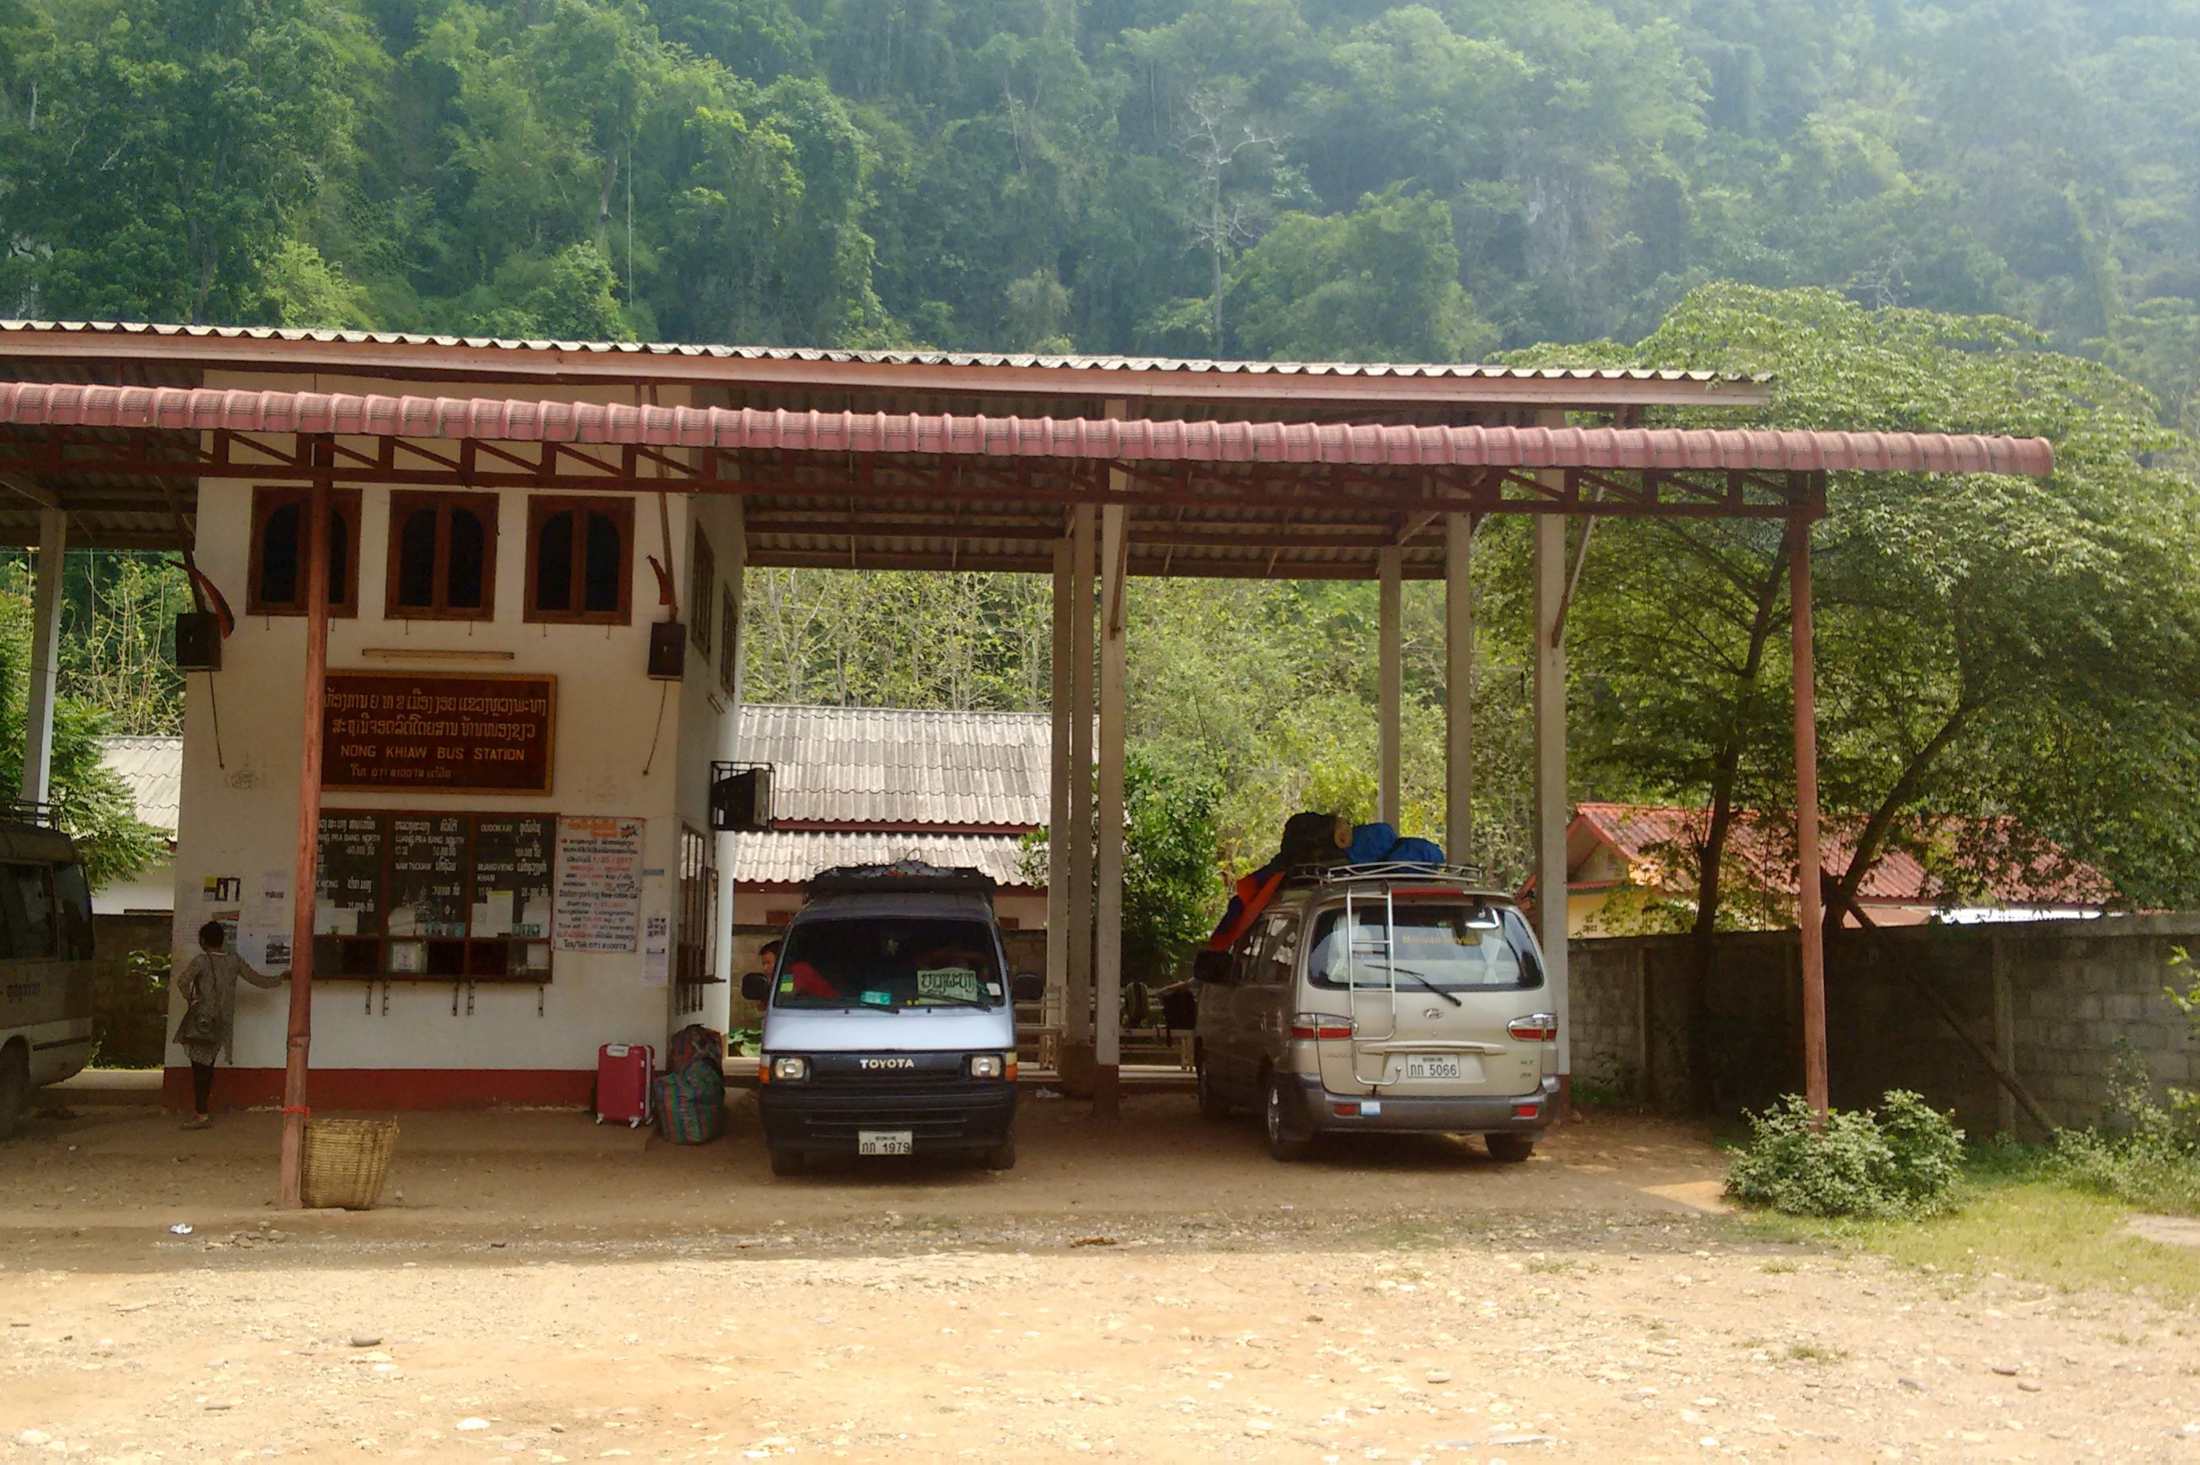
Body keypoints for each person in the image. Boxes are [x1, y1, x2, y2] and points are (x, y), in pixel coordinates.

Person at [174, 920, 285, 1130]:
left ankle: (201, 1113)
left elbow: (182, 981)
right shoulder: (234, 961)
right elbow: (257, 979)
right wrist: (281, 979)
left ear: (203, 940)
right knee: (208, 1066)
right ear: (222, 940)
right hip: (223, 1022)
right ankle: (202, 1111)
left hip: (202, 1021)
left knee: (199, 1068)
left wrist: (193, 1000)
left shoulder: (201, 961)